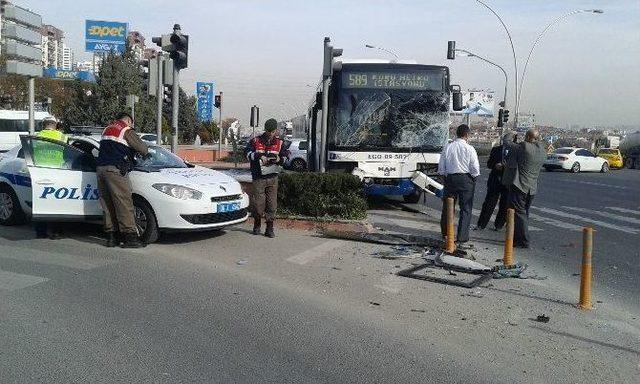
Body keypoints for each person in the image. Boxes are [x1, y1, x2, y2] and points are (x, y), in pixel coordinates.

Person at [96, 112, 149, 248]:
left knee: (107, 204)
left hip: (101, 170)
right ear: (128, 121)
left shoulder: (107, 129)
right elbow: (142, 148)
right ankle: (130, 238)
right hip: (115, 170)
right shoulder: (126, 130)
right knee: (124, 204)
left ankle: (111, 238)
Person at [438, 124, 480, 250]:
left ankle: (446, 232)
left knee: (447, 206)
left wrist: (445, 176)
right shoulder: (470, 148)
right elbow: (475, 168)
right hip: (466, 179)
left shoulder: (448, 147)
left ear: (457, 134)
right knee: (466, 208)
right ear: (467, 135)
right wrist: (473, 177)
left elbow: (441, 166)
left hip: (450, 178)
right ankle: (462, 237)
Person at [244, 118, 287, 238]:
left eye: (273, 132)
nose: (270, 134)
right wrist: (259, 156)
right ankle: (257, 224)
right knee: (258, 204)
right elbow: (247, 153)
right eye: (268, 132)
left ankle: (269, 228)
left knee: (272, 204)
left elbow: (286, 157)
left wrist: (280, 159)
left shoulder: (280, 143)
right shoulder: (255, 141)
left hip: (273, 177)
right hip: (258, 177)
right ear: (265, 130)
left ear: (276, 131)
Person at [507, 129, 547, 248]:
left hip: (520, 186)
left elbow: (507, 142)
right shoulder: (542, 150)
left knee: (519, 214)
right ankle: (517, 238)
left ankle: (523, 241)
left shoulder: (524, 147)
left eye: (525, 136)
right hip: (532, 188)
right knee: (524, 214)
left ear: (528, 137)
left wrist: (511, 134)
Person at [33, 116, 67, 239]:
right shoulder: (61, 136)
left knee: (41, 203)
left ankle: (40, 232)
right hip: (56, 173)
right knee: (56, 203)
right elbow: (69, 153)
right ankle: (56, 232)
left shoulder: (36, 136)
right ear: (55, 125)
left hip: (39, 173)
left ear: (44, 124)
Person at [475, 131, 515, 231]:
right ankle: (481, 224)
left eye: (508, 140)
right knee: (489, 203)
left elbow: (517, 166)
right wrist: (495, 165)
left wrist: (506, 167)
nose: (506, 142)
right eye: (505, 140)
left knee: (505, 204)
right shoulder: (496, 150)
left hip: (508, 181)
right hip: (495, 180)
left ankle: (499, 225)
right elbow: (489, 164)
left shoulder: (516, 151)